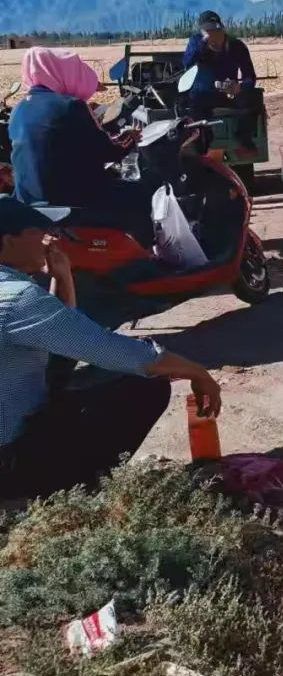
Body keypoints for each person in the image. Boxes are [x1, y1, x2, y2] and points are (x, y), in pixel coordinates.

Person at [0, 196, 222, 500]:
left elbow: (64, 340)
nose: (51, 237)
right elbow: (106, 349)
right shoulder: (18, 299)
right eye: (39, 230)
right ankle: (70, 489)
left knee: (70, 381)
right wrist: (196, 371)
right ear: (8, 241)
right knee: (144, 386)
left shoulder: (12, 293)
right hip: (11, 463)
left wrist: (62, 276)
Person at [9, 46, 151, 241]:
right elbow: (108, 152)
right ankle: (147, 257)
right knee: (141, 193)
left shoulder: (19, 109)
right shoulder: (69, 106)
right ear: (63, 73)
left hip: (30, 201)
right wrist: (130, 138)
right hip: (70, 201)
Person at [181, 11, 260, 145]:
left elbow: (250, 76)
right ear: (202, 32)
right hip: (202, 96)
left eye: (217, 31)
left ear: (222, 30)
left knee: (255, 97)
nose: (214, 36)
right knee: (193, 102)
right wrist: (203, 44)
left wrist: (240, 87)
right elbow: (187, 63)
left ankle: (243, 138)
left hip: (228, 95)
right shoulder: (196, 42)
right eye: (208, 31)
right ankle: (202, 140)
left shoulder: (237, 46)